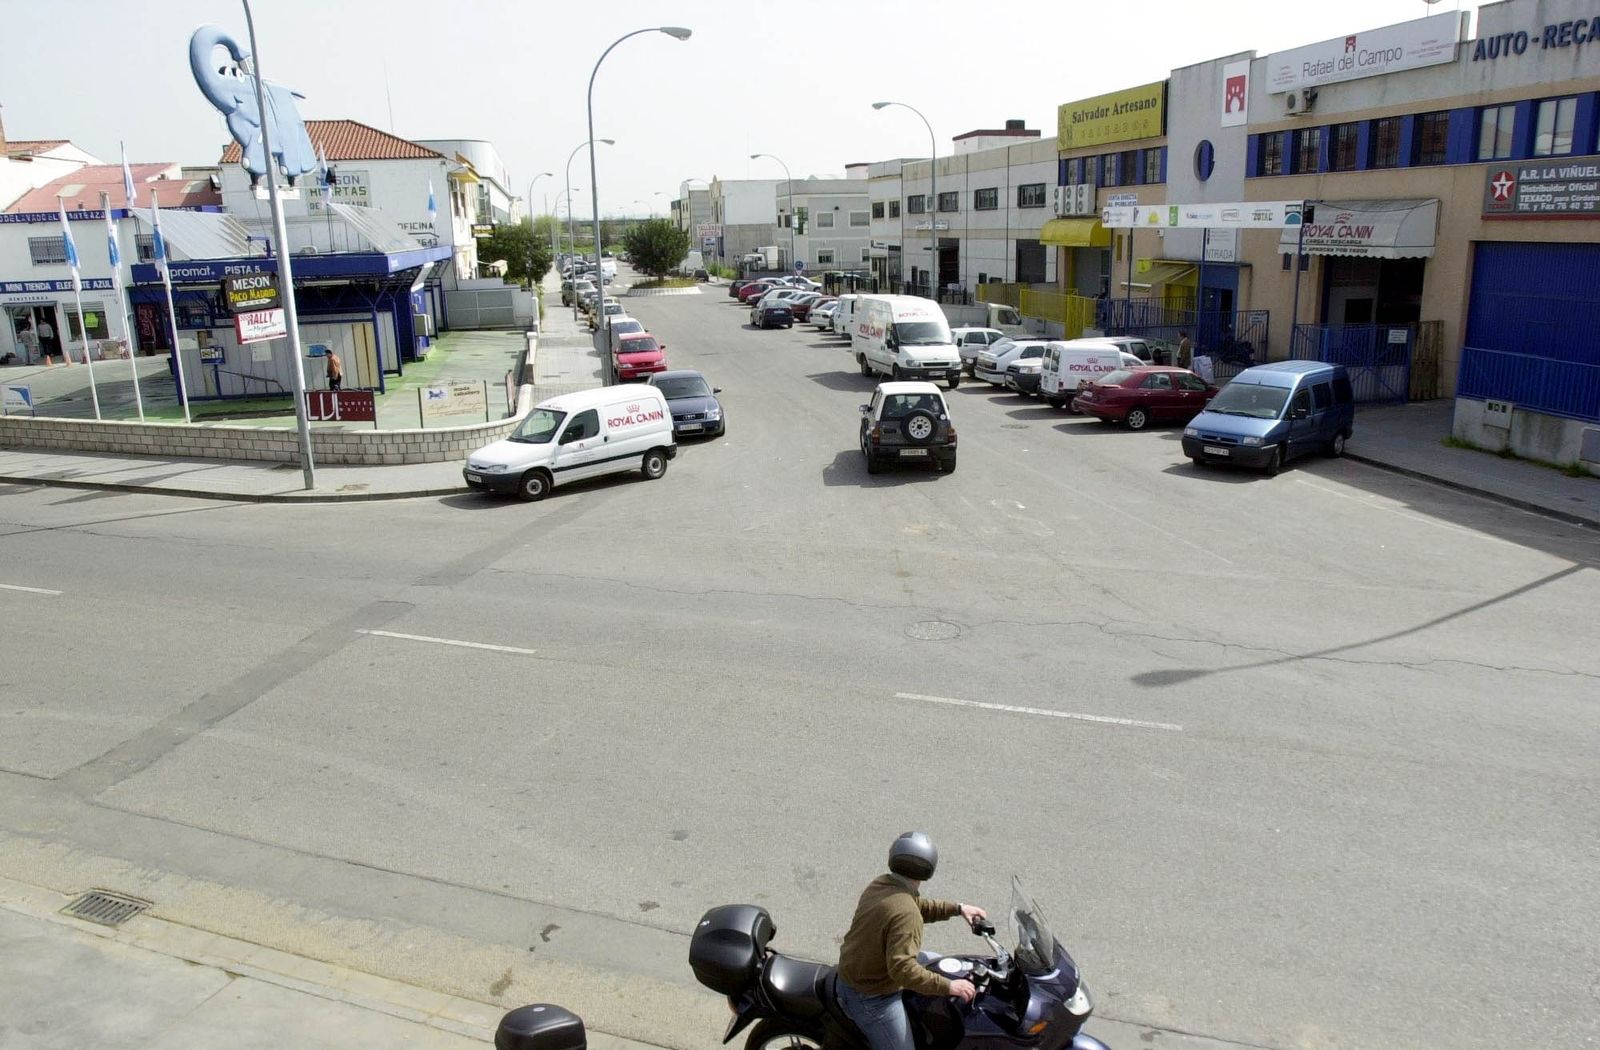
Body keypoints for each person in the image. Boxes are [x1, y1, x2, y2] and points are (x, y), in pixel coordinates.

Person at [836, 833, 987, 1050]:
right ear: (928, 869)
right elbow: (903, 970)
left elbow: (916, 906)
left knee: (936, 961)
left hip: (862, 969)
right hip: (869, 996)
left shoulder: (883, 884)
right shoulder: (907, 914)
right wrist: (949, 986)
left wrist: (958, 908)